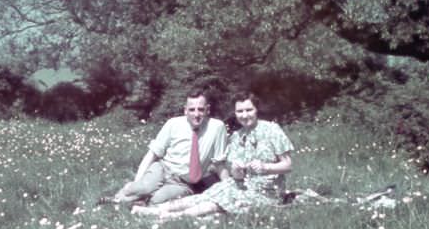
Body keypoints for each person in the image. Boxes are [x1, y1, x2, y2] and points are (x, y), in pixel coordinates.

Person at [132, 91, 293, 220]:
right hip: (242, 186)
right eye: (240, 111)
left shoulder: (272, 130)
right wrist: (237, 171)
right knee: (204, 196)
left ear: (256, 110)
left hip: (266, 192)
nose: (244, 115)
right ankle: (156, 210)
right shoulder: (236, 137)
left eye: (249, 110)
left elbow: (287, 165)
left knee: (218, 201)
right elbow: (235, 174)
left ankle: (174, 216)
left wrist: (266, 167)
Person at [108, 90, 228, 206]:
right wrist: (137, 181)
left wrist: (228, 188)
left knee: (157, 199)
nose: (196, 114)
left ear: (208, 109)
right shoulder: (173, 124)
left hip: (183, 183)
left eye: (201, 110)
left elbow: (219, 163)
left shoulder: (217, 128)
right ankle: (118, 198)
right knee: (142, 188)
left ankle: (135, 201)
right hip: (163, 169)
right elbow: (152, 154)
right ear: (185, 111)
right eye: (192, 110)